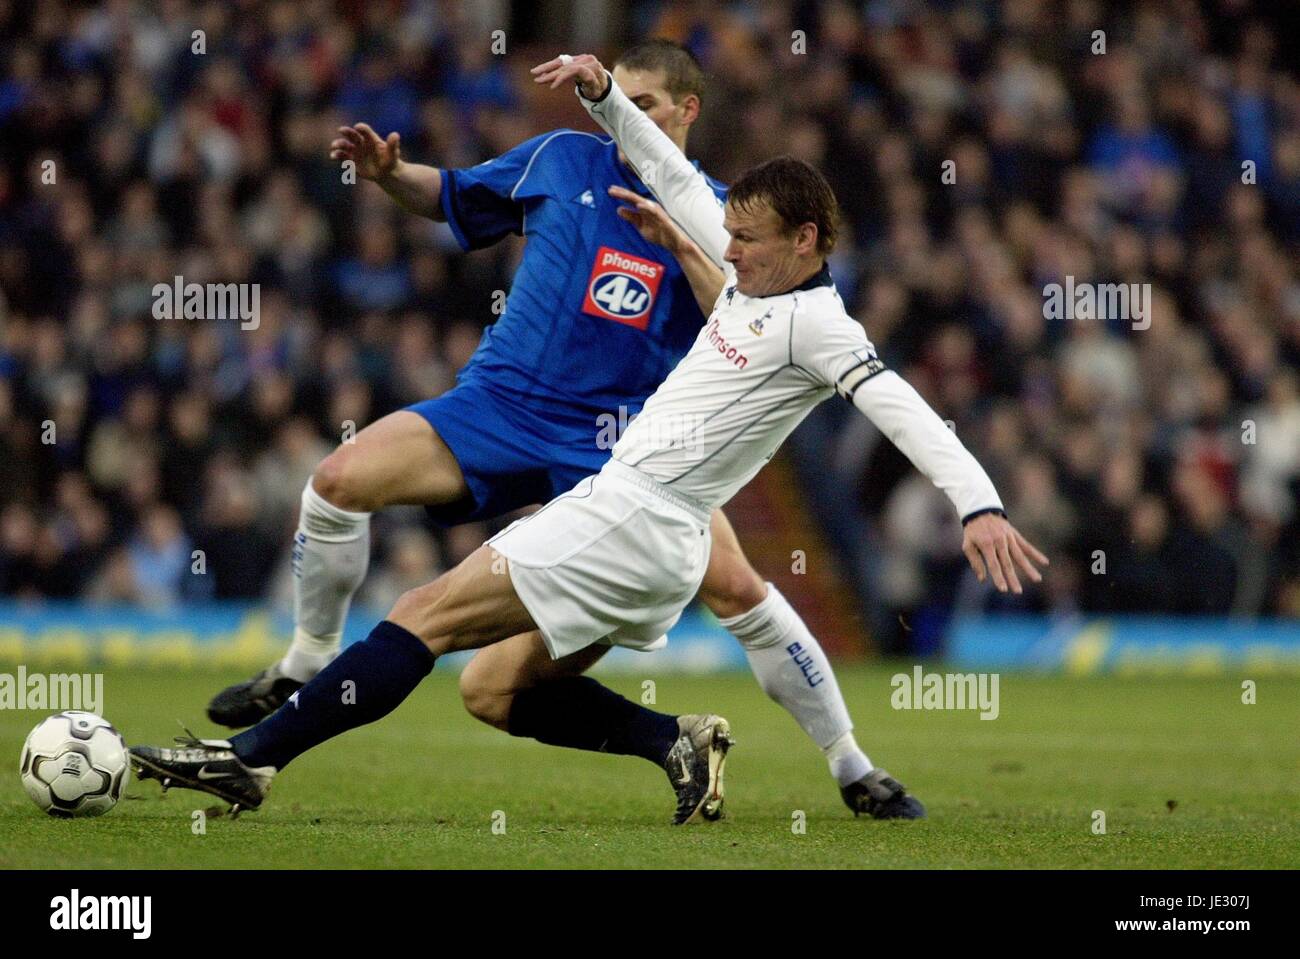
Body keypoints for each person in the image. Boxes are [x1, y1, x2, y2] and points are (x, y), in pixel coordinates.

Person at [131, 51, 1046, 826]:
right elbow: (672, 172)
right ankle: (704, 745)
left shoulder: (820, 328)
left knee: (420, 614)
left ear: (806, 241)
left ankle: (250, 761)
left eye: (747, 241)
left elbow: (905, 409)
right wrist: (603, 92)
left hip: (631, 511)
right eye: (723, 236)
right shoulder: (745, 273)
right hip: (648, 526)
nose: (727, 250)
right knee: (490, 686)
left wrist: (979, 504)